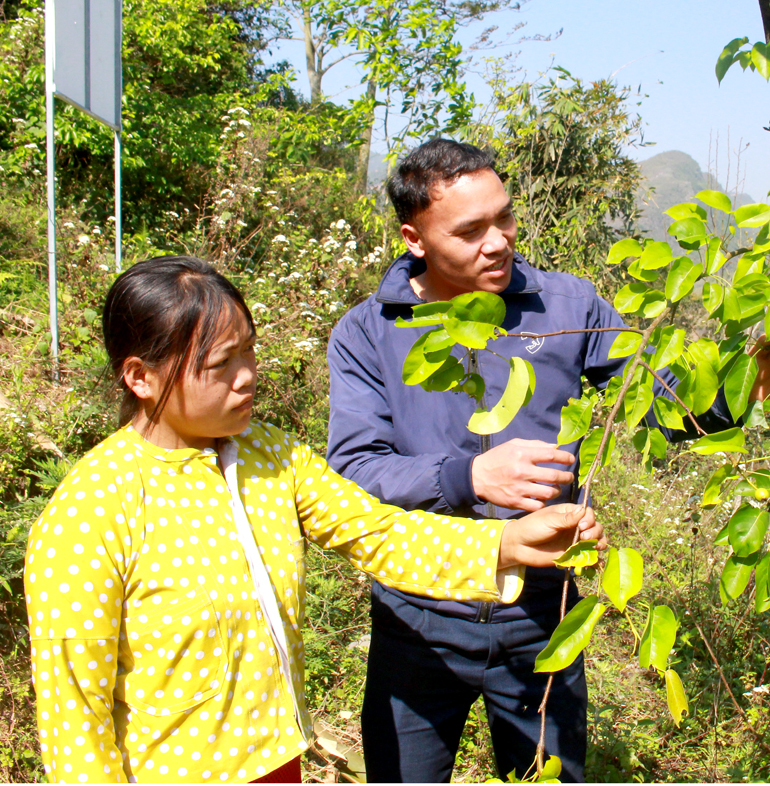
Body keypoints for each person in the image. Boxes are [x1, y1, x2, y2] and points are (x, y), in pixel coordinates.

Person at [23, 255, 604, 784]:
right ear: (140, 377)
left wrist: (504, 541)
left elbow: (379, 532)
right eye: (221, 363)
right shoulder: (94, 510)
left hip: (279, 761)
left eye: (248, 351)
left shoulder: (268, 456)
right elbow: (76, 717)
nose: (247, 375)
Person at [325, 139, 770, 782]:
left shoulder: (568, 307)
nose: (498, 242)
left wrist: (744, 386)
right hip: (417, 616)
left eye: (504, 218)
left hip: (542, 615)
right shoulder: (369, 332)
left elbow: (664, 402)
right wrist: (468, 477)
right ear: (414, 238)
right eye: (471, 229)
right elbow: (354, 469)